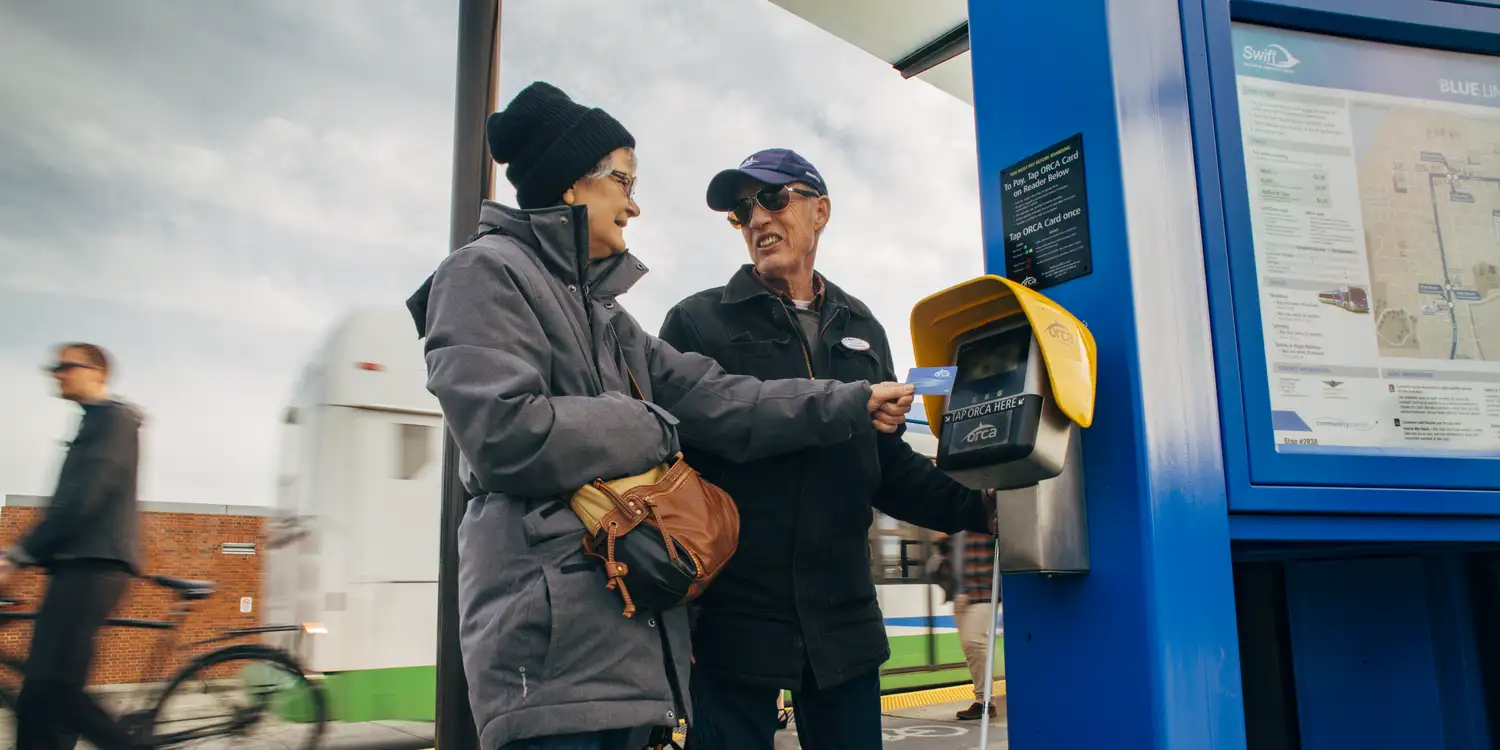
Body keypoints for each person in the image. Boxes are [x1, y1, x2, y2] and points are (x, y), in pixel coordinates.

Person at [404, 83, 917, 750]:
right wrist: (651, 425)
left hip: (621, 638)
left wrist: (851, 400)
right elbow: (505, 434)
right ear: (570, 186)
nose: (634, 203)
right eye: (623, 181)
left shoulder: (608, 318)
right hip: (549, 655)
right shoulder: (481, 275)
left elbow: (722, 397)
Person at [660, 148, 999, 749]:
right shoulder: (697, 322)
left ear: (820, 211)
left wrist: (981, 506)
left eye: (772, 198)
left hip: (842, 620)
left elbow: (887, 465)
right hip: (733, 621)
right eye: (742, 210)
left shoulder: (863, 328)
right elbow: (687, 447)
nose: (757, 218)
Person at [0, 343, 148, 750]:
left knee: (55, 687)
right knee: (39, 695)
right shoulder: (93, 422)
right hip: (74, 565)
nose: (56, 373)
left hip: (96, 565)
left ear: (96, 371)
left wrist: (19, 555)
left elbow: (84, 498)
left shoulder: (115, 419)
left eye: (65, 366)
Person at [936, 531, 1000, 720]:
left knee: (974, 642)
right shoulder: (956, 524)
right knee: (969, 648)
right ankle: (982, 700)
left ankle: (986, 702)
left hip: (984, 593)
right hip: (960, 595)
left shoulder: (987, 521)